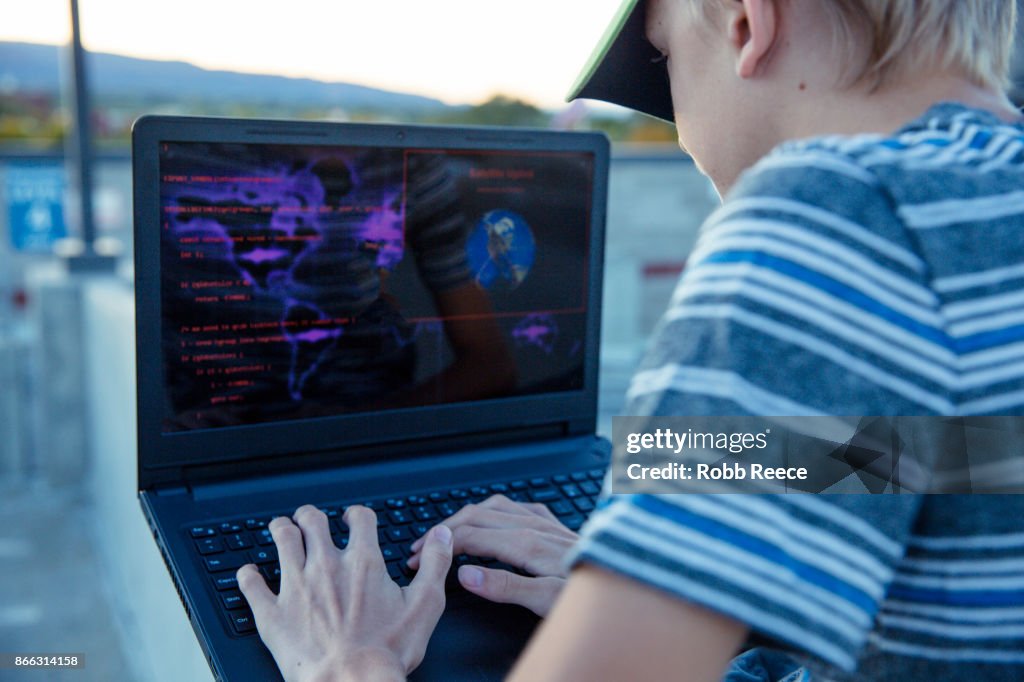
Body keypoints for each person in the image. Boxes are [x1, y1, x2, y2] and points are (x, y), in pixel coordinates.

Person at [236, 0, 1024, 680]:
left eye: (665, 57)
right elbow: (954, 462)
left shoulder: (834, 211)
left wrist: (349, 661)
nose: (679, 129)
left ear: (750, 22)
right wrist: (643, 557)